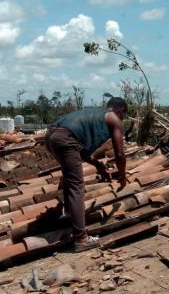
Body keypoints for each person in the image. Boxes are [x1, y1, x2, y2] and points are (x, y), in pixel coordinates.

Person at [44, 97, 129, 252]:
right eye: (123, 115)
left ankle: (70, 214)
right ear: (121, 110)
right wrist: (123, 177)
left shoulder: (95, 113)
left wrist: (98, 165)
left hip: (51, 136)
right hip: (64, 139)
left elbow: (78, 149)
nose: (122, 119)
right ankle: (81, 238)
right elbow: (120, 154)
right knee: (77, 185)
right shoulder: (114, 118)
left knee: (70, 177)